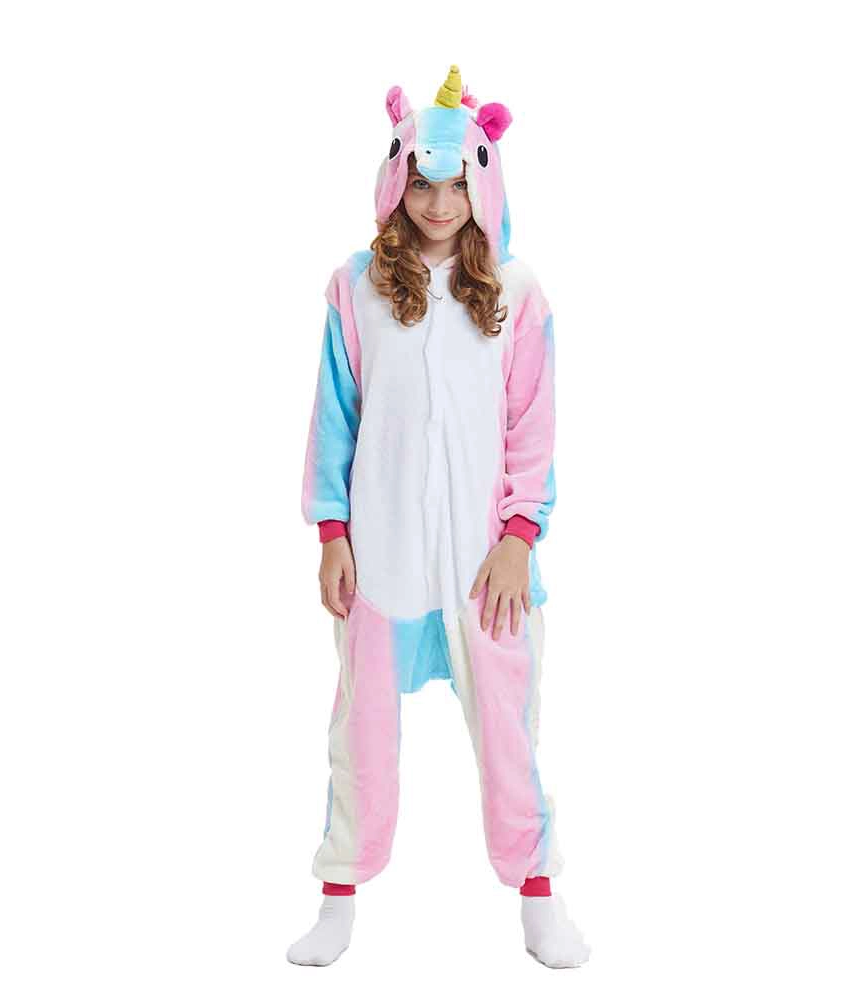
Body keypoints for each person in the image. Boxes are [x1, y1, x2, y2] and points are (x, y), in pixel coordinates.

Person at [288, 66, 590, 969]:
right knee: (360, 736)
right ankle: (339, 895)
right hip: (382, 556)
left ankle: (538, 894)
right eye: (421, 183)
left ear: (481, 185)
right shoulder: (356, 287)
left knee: (508, 731)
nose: (437, 202)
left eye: (456, 184)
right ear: (396, 181)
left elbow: (532, 426)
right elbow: (335, 417)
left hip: (481, 563)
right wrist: (333, 533)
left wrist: (519, 537)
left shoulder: (516, 292)